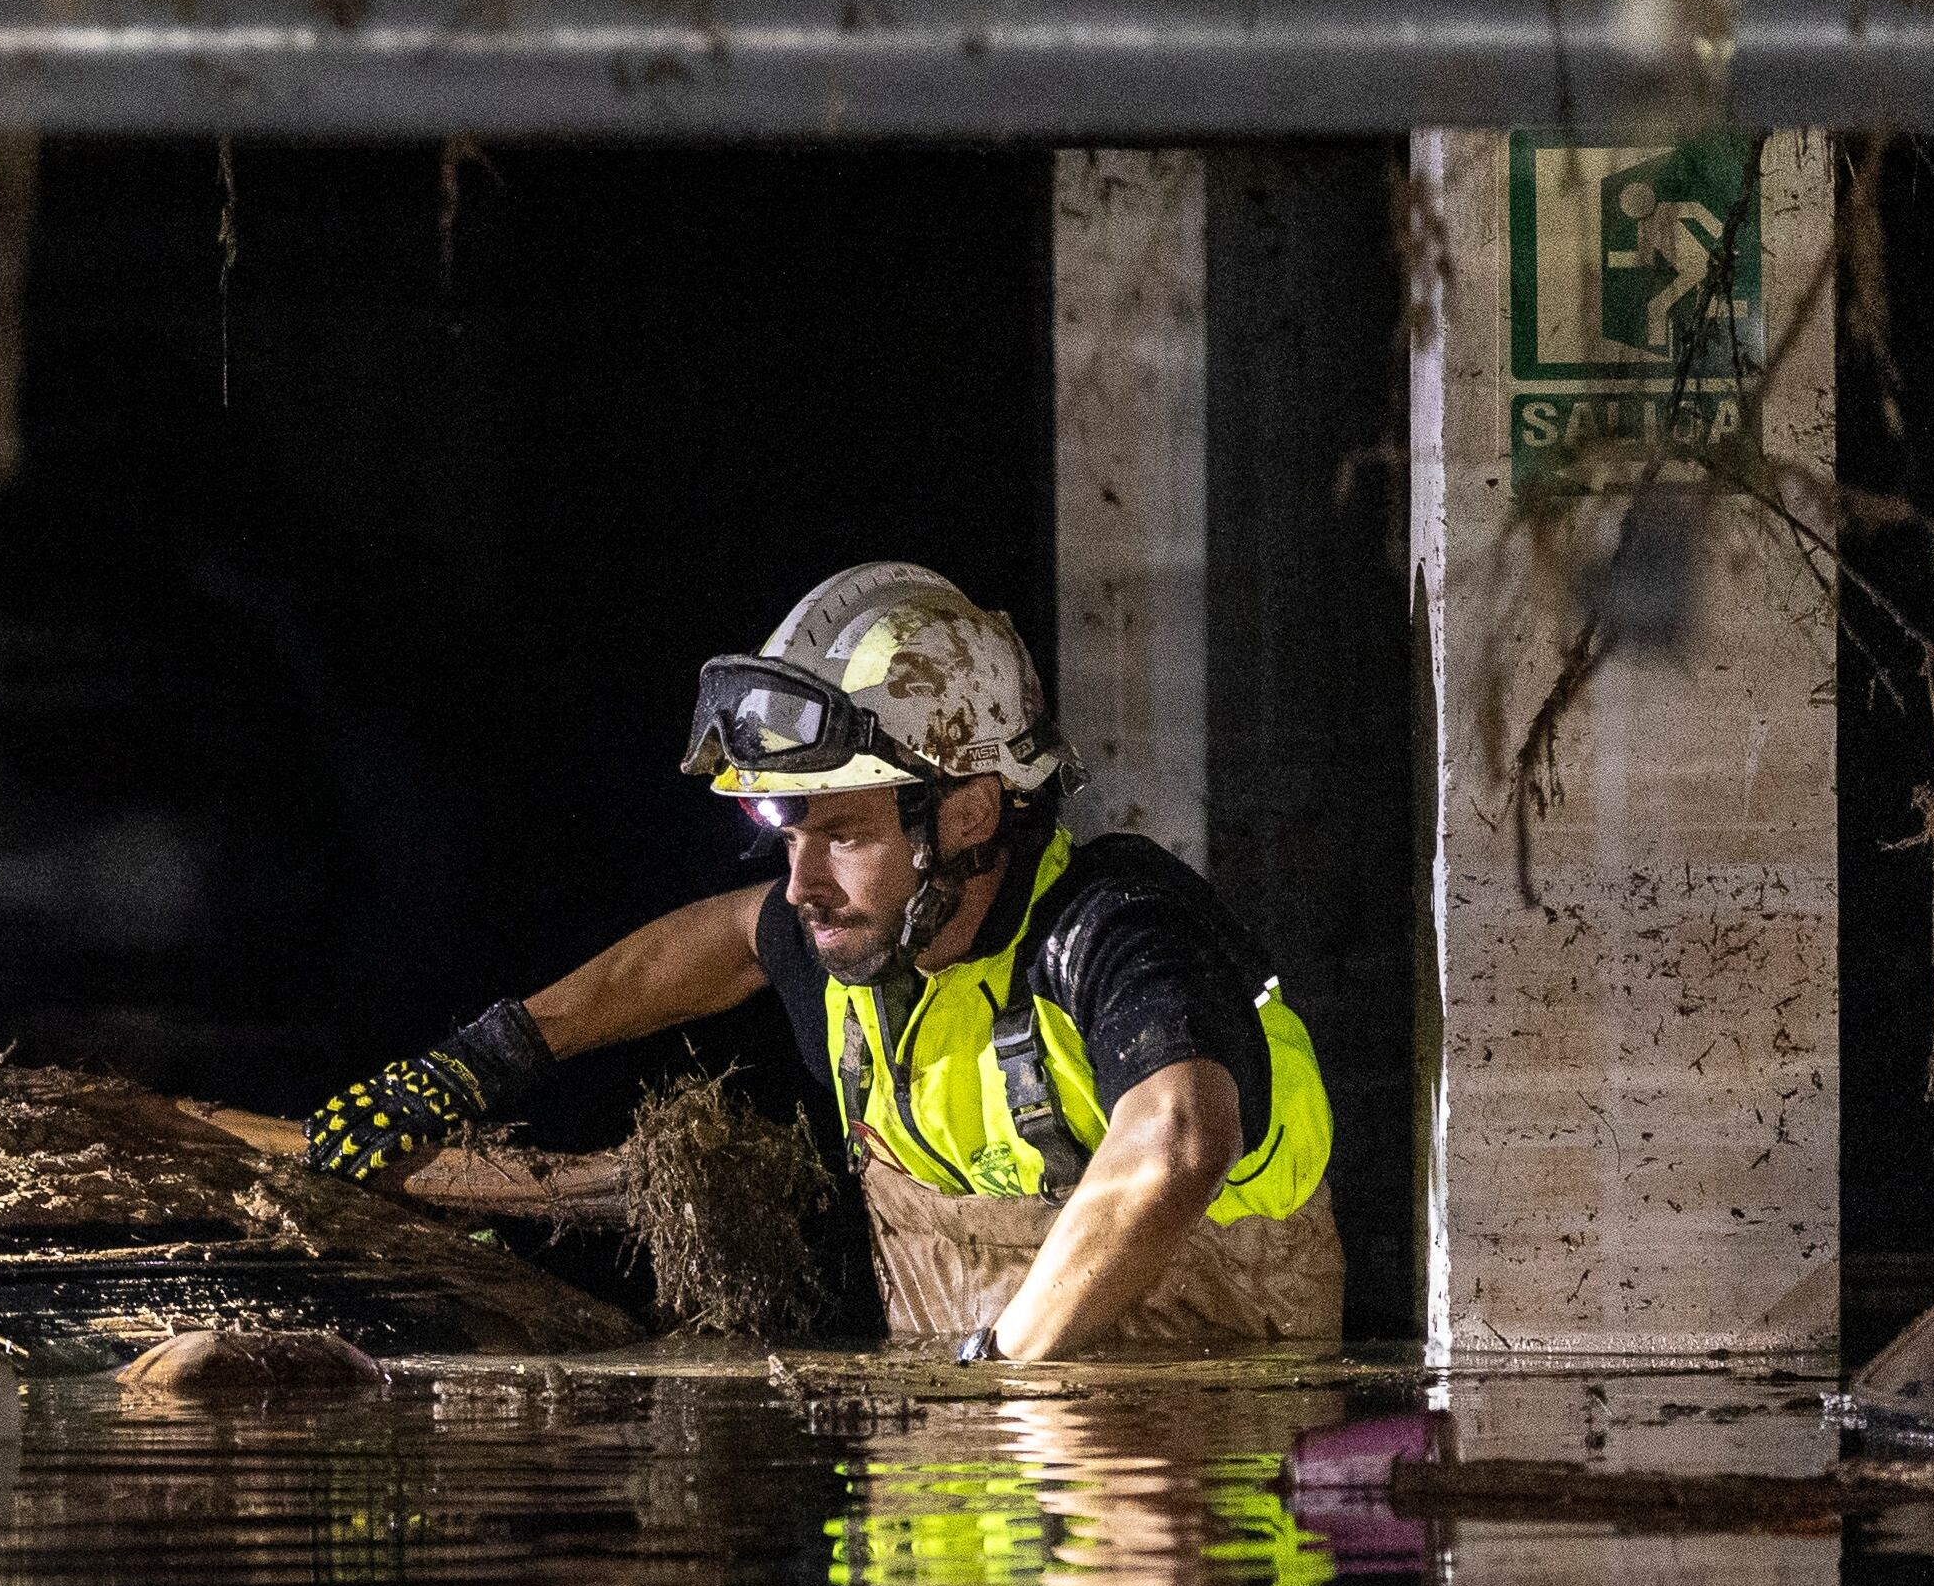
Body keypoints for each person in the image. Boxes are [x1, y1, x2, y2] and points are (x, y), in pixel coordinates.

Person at [306, 563, 1339, 1357]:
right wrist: (490, 1054)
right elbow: (719, 939)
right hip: (945, 1523)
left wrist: (999, 1370)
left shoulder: (1113, 928)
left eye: (840, 834)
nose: (800, 882)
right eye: (786, 832)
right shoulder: (857, 941)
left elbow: (1175, 1142)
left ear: (969, 808)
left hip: (1179, 1496)